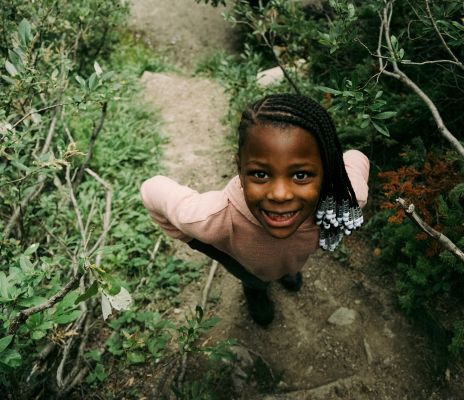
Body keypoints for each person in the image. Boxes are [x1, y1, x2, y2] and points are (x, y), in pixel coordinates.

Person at [140, 93, 369, 327]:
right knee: (255, 280)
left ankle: (287, 272)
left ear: (328, 169)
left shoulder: (346, 197)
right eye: (260, 174)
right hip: (248, 266)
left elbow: (356, 158)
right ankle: (256, 290)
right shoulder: (213, 218)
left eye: (301, 175)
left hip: (296, 255)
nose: (279, 195)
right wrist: (192, 238)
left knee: (291, 264)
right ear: (240, 168)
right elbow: (151, 190)